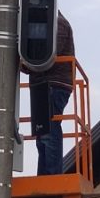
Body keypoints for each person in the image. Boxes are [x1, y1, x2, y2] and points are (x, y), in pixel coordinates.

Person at [25, 12, 75, 175]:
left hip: (54, 83)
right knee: (42, 132)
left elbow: (48, 55)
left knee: (49, 129)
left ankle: (52, 175)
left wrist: (24, 64)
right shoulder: (49, 24)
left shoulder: (57, 23)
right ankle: (45, 175)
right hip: (45, 83)